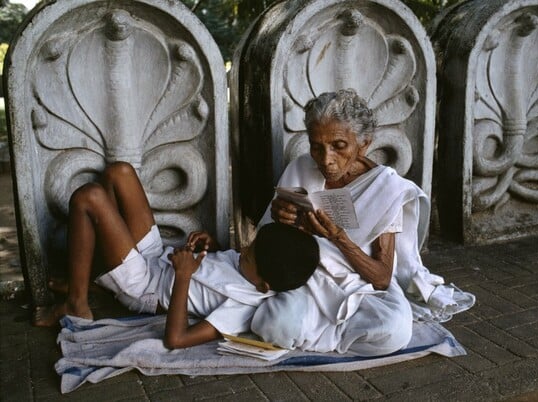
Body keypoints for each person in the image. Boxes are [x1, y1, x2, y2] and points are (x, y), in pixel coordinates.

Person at [251, 89, 474, 356]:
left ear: (364, 144)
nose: (326, 160)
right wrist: (279, 217)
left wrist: (340, 239)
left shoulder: (387, 188)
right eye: (316, 146)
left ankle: (317, 334)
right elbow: (265, 245)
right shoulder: (301, 168)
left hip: (360, 285)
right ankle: (322, 332)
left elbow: (380, 278)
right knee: (276, 326)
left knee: (394, 329)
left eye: (339, 146)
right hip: (305, 276)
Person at [34, 162, 319, 349]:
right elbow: (227, 267)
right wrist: (215, 245)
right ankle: (92, 277)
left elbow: (176, 339)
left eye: (249, 256)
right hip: (158, 258)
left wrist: (183, 277)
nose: (243, 250)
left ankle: (77, 301)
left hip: (143, 286)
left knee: (89, 196)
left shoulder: (242, 309)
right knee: (119, 173)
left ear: (263, 287)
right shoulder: (255, 268)